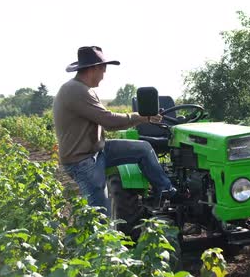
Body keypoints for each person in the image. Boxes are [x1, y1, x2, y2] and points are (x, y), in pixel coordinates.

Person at [53, 46, 176, 216]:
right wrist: (141, 117)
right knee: (102, 215)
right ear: (94, 68)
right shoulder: (75, 90)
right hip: (83, 161)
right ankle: (103, 241)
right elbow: (109, 121)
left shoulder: (83, 89)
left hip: (97, 151)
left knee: (143, 148)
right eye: (103, 69)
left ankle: (167, 191)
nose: (104, 75)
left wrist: (145, 117)